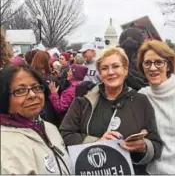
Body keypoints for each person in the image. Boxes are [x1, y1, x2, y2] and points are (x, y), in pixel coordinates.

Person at [60, 47, 162, 175]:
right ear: (99, 73)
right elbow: (65, 135)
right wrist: (96, 142)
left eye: (115, 66)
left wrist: (144, 147)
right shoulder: (82, 102)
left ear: (125, 70)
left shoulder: (141, 101)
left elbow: (156, 144)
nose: (110, 72)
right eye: (104, 68)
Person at [0, 64, 72, 174]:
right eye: (20, 90)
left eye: (36, 87)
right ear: (4, 97)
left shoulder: (49, 128)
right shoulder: (5, 145)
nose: (32, 95)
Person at [137, 40, 175, 174]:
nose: (152, 68)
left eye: (158, 62)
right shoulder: (141, 96)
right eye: (147, 63)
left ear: (168, 65)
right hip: (152, 172)